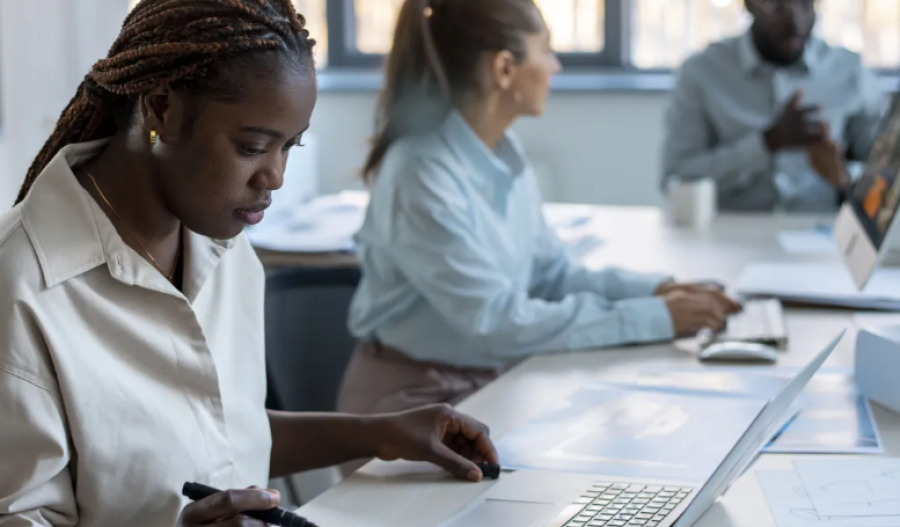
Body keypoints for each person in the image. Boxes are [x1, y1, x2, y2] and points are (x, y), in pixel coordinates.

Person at [0, 1, 498, 526]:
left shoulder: (223, 242)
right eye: (253, 146)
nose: (276, 176)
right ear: (162, 109)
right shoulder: (22, 290)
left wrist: (380, 433)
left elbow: (222, 434)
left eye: (290, 147)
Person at [337, 0, 740, 425]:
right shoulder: (420, 173)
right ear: (505, 69)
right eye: (546, 50)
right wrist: (655, 318)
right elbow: (497, 321)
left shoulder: (503, 156)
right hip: (410, 407)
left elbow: (550, 276)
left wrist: (657, 291)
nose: (556, 67)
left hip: (491, 383)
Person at [662, 0, 886, 212]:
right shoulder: (702, 72)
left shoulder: (851, 73)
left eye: (805, 4)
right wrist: (765, 144)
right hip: (728, 238)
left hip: (822, 236)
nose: (795, 21)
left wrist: (845, 177)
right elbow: (675, 179)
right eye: (778, 6)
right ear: (749, 5)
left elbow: (887, 175)